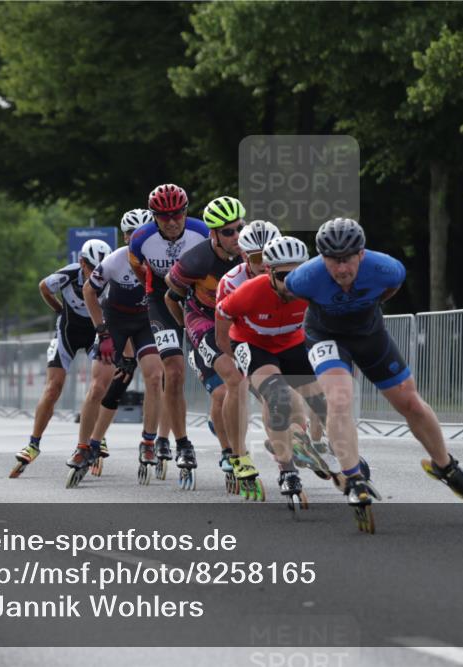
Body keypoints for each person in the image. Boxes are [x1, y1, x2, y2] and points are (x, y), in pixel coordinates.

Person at [284, 218, 463, 532]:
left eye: (348, 260)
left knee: (410, 402)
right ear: (321, 258)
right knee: (339, 398)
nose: (341, 269)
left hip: (370, 334)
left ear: (362, 254)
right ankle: (354, 478)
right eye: (333, 261)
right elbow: (290, 296)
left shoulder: (387, 270)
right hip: (325, 337)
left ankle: (445, 467)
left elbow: (390, 290)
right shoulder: (303, 278)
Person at [215, 236, 329, 509]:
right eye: (283, 275)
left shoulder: (314, 289)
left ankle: (307, 440)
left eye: (298, 274)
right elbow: (221, 324)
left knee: (321, 400)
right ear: (268, 272)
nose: (291, 282)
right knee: (277, 395)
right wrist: (237, 359)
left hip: (291, 342)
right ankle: (287, 470)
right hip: (253, 343)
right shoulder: (248, 292)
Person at [66, 210, 164, 487]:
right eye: (134, 235)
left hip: (146, 321)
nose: (140, 240)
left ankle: (148, 441)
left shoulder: (161, 260)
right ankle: (84, 446)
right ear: (125, 237)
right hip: (116, 321)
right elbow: (88, 291)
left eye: (146, 233)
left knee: (155, 377)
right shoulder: (115, 260)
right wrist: (102, 331)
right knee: (99, 386)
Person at [11, 238, 113, 478]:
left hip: (95, 333)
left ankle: (97, 438)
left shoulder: (110, 277)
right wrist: (58, 309)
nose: (95, 274)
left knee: (99, 387)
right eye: (90, 268)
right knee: (53, 387)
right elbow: (44, 287)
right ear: (81, 263)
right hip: (67, 332)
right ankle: (33, 443)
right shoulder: (68, 274)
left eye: (100, 269)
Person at [165, 195, 246, 489]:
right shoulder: (195, 260)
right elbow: (170, 296)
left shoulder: (251, 252)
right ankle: (229, 453)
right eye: (228, 231)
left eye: (239, 227)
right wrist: (187, 331)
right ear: (213, 234)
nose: (237, 236)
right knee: (224, 389)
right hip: (204, 321)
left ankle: (224, 428)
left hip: (235, 320)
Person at [129, 184, 208, 474]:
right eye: (164, 216)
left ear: (186, 212)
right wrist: (155, 289)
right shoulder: (141, 239)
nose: (172, 222)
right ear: (154, 217)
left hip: (195, 300)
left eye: (178, 214)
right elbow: (137, 266)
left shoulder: (203, 232)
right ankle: (182, 442)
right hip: (160, 300)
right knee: (173, 371)